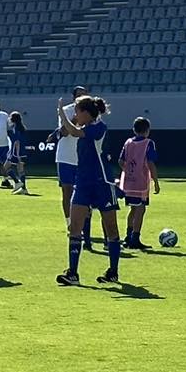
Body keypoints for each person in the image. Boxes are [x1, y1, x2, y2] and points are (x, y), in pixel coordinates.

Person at [56, 94, 123, 286]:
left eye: (77, 111)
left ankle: (113, 271)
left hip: (103, 183)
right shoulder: (85, 128)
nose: (75, 114)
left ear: (86, 112)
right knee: (75, 227)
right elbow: (72, 131)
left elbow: (74, 132)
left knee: (110, 227)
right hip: (83, 182)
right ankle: (73, 273)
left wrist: (61, 113)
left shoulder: (99, 128)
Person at [58, 86, 94, 253]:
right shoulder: (66, 111)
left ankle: (84, 229)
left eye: (84, 95)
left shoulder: (91, 112)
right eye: (79, 95)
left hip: (81, 158)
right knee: (66, 191)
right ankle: (69, 223)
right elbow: (65, 132)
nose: (82, 97)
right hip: (65, 156)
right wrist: (73, 118)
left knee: (83, 192)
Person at [117, 117, 160, 248]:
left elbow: (120, 161)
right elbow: (151, 163)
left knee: (133, 209)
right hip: (140, 184)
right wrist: (156, 181)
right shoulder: (148, 143)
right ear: (147, 130)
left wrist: (128, 171)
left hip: (128, 183)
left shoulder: (128, 142)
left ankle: (128, 237)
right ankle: (135, 238)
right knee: (140, 210)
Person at [6, 111, 31, 195]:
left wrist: (17, 154)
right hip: (22, 151)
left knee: (5, 167)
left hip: (16, 152)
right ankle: (24, 189)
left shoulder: (15, 128)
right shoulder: (21, 127)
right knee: (20, 170)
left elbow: (17, 141)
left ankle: (17, 182)